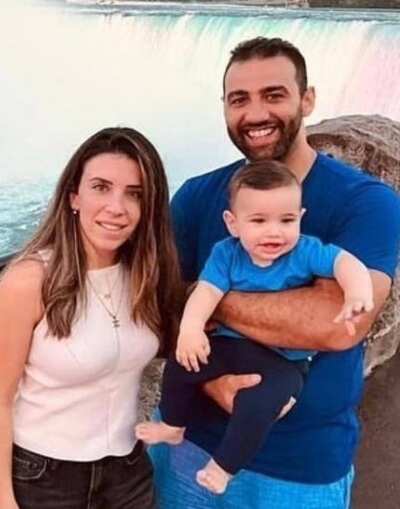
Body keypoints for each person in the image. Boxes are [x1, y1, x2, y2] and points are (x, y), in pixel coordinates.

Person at [148, 36, 400, 509]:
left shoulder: (364, 202)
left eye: (274, 95)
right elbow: (155, 307)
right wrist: (210, 381)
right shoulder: (198, 196)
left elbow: (339, 322)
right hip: (186, 445)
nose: (255, 113)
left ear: (307, 99)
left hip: (299, 469)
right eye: (239, 99)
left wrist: (207, 297)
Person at [137, 159, 374, 494]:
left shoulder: (304, 250)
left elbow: (344, 262)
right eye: (259, 221)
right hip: (231, 345)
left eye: (287, 220)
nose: (274, 231)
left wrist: (357, 291)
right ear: (233, 224)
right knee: (181, 365)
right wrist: (190, 330)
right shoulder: (226, 253)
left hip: (284, 360)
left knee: (261, 404)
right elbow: (206, 292)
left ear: (300, 219)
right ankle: (173, 425)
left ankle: (224, 466)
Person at [0, 127, 183, 509]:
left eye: (134, 194)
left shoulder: (145, 275)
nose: (116, 207)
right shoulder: (30, 281)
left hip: (128, 470)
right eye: (101, 187)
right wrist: (3, 499)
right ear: (74, 195)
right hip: (44, 478)